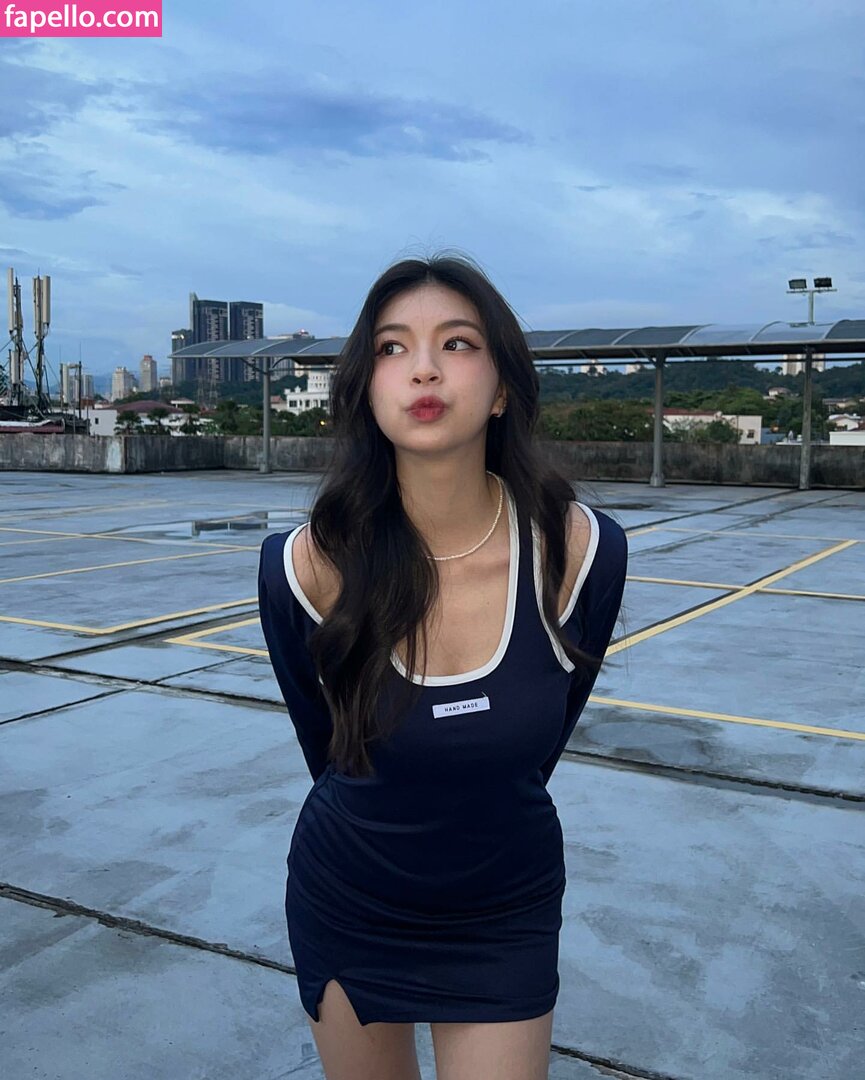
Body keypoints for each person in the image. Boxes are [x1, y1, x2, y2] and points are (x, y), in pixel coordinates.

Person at [257, 251, 628, 1080]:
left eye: (456, 343)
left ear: (501, 389)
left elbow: (542, 737)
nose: (422, 368)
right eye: (391, 348)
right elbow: (328, 748)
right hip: (349, 901)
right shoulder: (304, 566)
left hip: (503, 911)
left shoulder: (580, 553)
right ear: (366, 388)